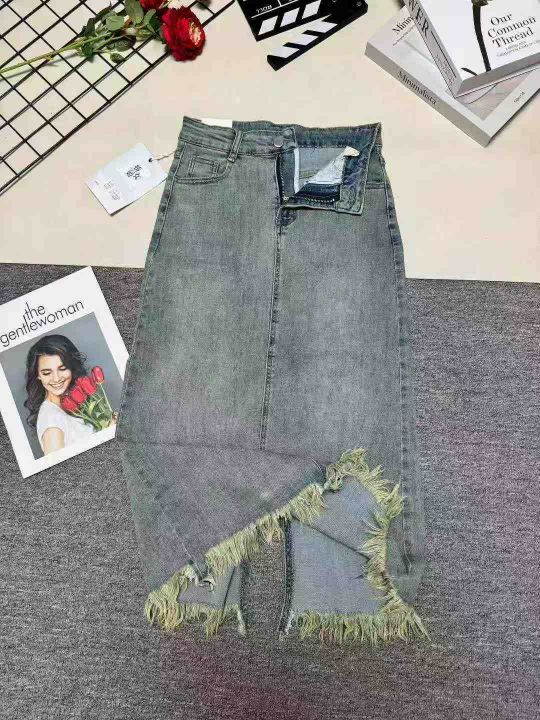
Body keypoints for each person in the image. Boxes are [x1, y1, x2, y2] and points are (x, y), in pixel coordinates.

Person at [24, 335, 95, 456]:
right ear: (38, 375)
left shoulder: (71, 403)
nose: (56, 379)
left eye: (62, 369)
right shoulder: (52, 421)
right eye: (47, 373)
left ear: (72, 368)